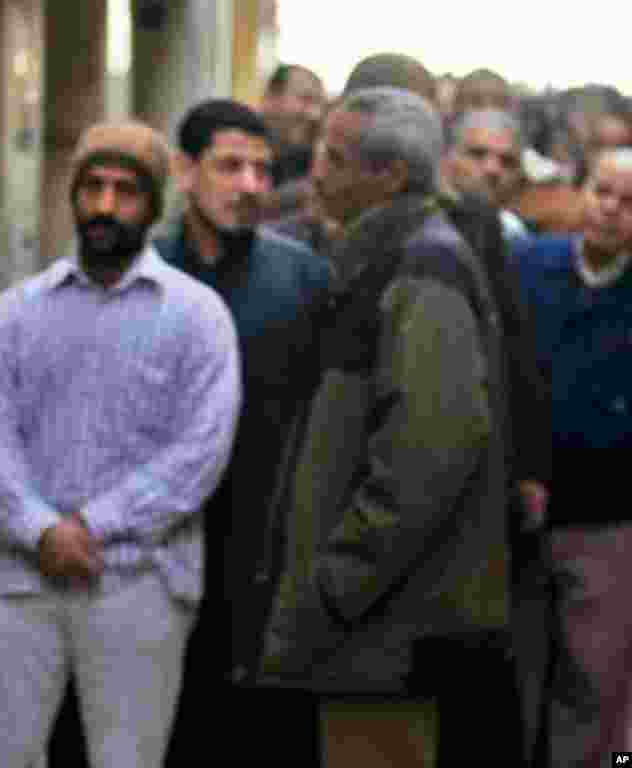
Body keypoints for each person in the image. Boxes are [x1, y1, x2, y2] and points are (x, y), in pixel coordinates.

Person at [0, 120, 241, 768]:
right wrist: (42, 530)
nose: (105, 206)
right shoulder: (21, 309)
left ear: (153, 205)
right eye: (93, 188)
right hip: (21, 571)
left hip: (138, 579)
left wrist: (94, 527)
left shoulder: (197, 316)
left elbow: (201, 450)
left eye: (125, 191)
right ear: (73, 196)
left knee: (126, 758)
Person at [257, 86, 511, 767]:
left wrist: (337, 583)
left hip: (388, 632)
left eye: (334, 159)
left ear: (389, 176)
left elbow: (432, 449)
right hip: (370, 627)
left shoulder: (423, 265)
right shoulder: (377, 256)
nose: (314, 173)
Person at [155, 99, 332, 766]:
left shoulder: (303, 277)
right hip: (162, 544)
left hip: (268, 549)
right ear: (184, 170)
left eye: (261, 170)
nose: (251, 186)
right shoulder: (148, 273)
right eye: (230, 167)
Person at [511, 147, 632, 766]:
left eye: (628, 202)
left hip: (608, 520)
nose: (610, 211)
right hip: (519, 518)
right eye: (601, 192)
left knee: (594, 681)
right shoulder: (531, 264)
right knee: (514, 679)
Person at [442, 108, 529, 239]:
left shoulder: (514, 233)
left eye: (507, 161)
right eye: (478, 154)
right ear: (446, 159)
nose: (493, 170)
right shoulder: (421, 226)